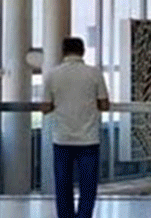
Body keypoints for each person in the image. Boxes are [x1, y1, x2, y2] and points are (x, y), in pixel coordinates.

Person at [41, 37, 109, 218]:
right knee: (88, 186)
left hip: (62, 138)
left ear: (63, 52)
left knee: (63, 186)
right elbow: (104, 104)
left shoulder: (53, 75)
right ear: (83, 52)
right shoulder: (94, 73)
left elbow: (45, 107)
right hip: (88, 138)